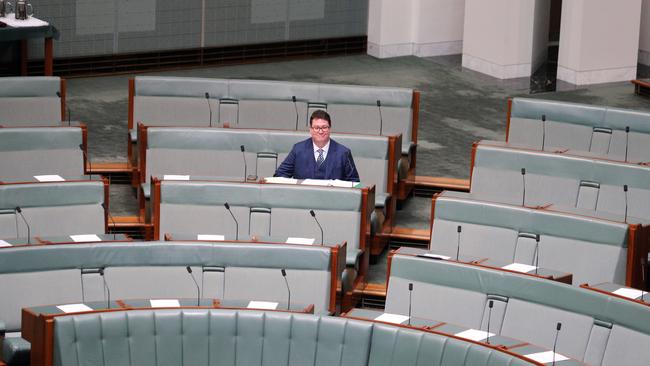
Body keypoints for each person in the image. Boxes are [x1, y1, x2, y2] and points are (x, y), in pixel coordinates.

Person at [274, 110, 360, 181]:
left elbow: (354, 183)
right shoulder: (298, 149)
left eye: (324, 127)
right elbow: (280, 175)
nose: (320, 131)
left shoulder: (343, 153)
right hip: (303, 199)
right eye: (317, 128)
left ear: (330, 128)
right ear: (310, 130)